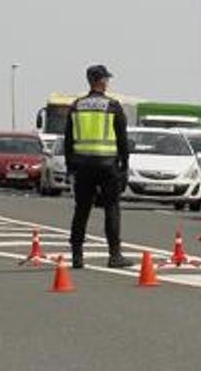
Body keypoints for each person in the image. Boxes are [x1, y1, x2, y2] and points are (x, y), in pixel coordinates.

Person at [64, 65, 132, 269]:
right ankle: (114, 255)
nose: (107, 82)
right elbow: (123, 140)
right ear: (101, 81)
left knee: (81, 210)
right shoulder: (113, 106)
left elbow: (68, 139)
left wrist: (70, 167)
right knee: (111, 208)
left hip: (82, 165)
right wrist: (125, 166)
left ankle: (77, 256)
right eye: (106, 79)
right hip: (108, 165)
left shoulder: (76, 106)